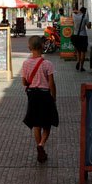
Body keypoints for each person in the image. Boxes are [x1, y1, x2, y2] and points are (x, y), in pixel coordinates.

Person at [21, 35, 58, 163]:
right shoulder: (48, 64)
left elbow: (24, 83)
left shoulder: (25, 64)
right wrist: (54, 97)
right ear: (42, 46)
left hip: (32, 95)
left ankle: (39, 147)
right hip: (45, 95)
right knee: (47, 124)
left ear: (29, 48)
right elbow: (52, 83)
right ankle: (41, 145)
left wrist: (31, 82)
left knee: (36, 124)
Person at [72, 6, 89, 72]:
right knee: (83, 52)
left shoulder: (74, 16)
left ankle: (78, 61)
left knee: (78, 51)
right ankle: (81, 67)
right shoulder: (85, 17)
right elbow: (88, 26)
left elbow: (73, 12)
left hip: (76, 35)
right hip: (83, 36)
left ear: (80, 10)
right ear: (84, 11)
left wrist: (77, 11)